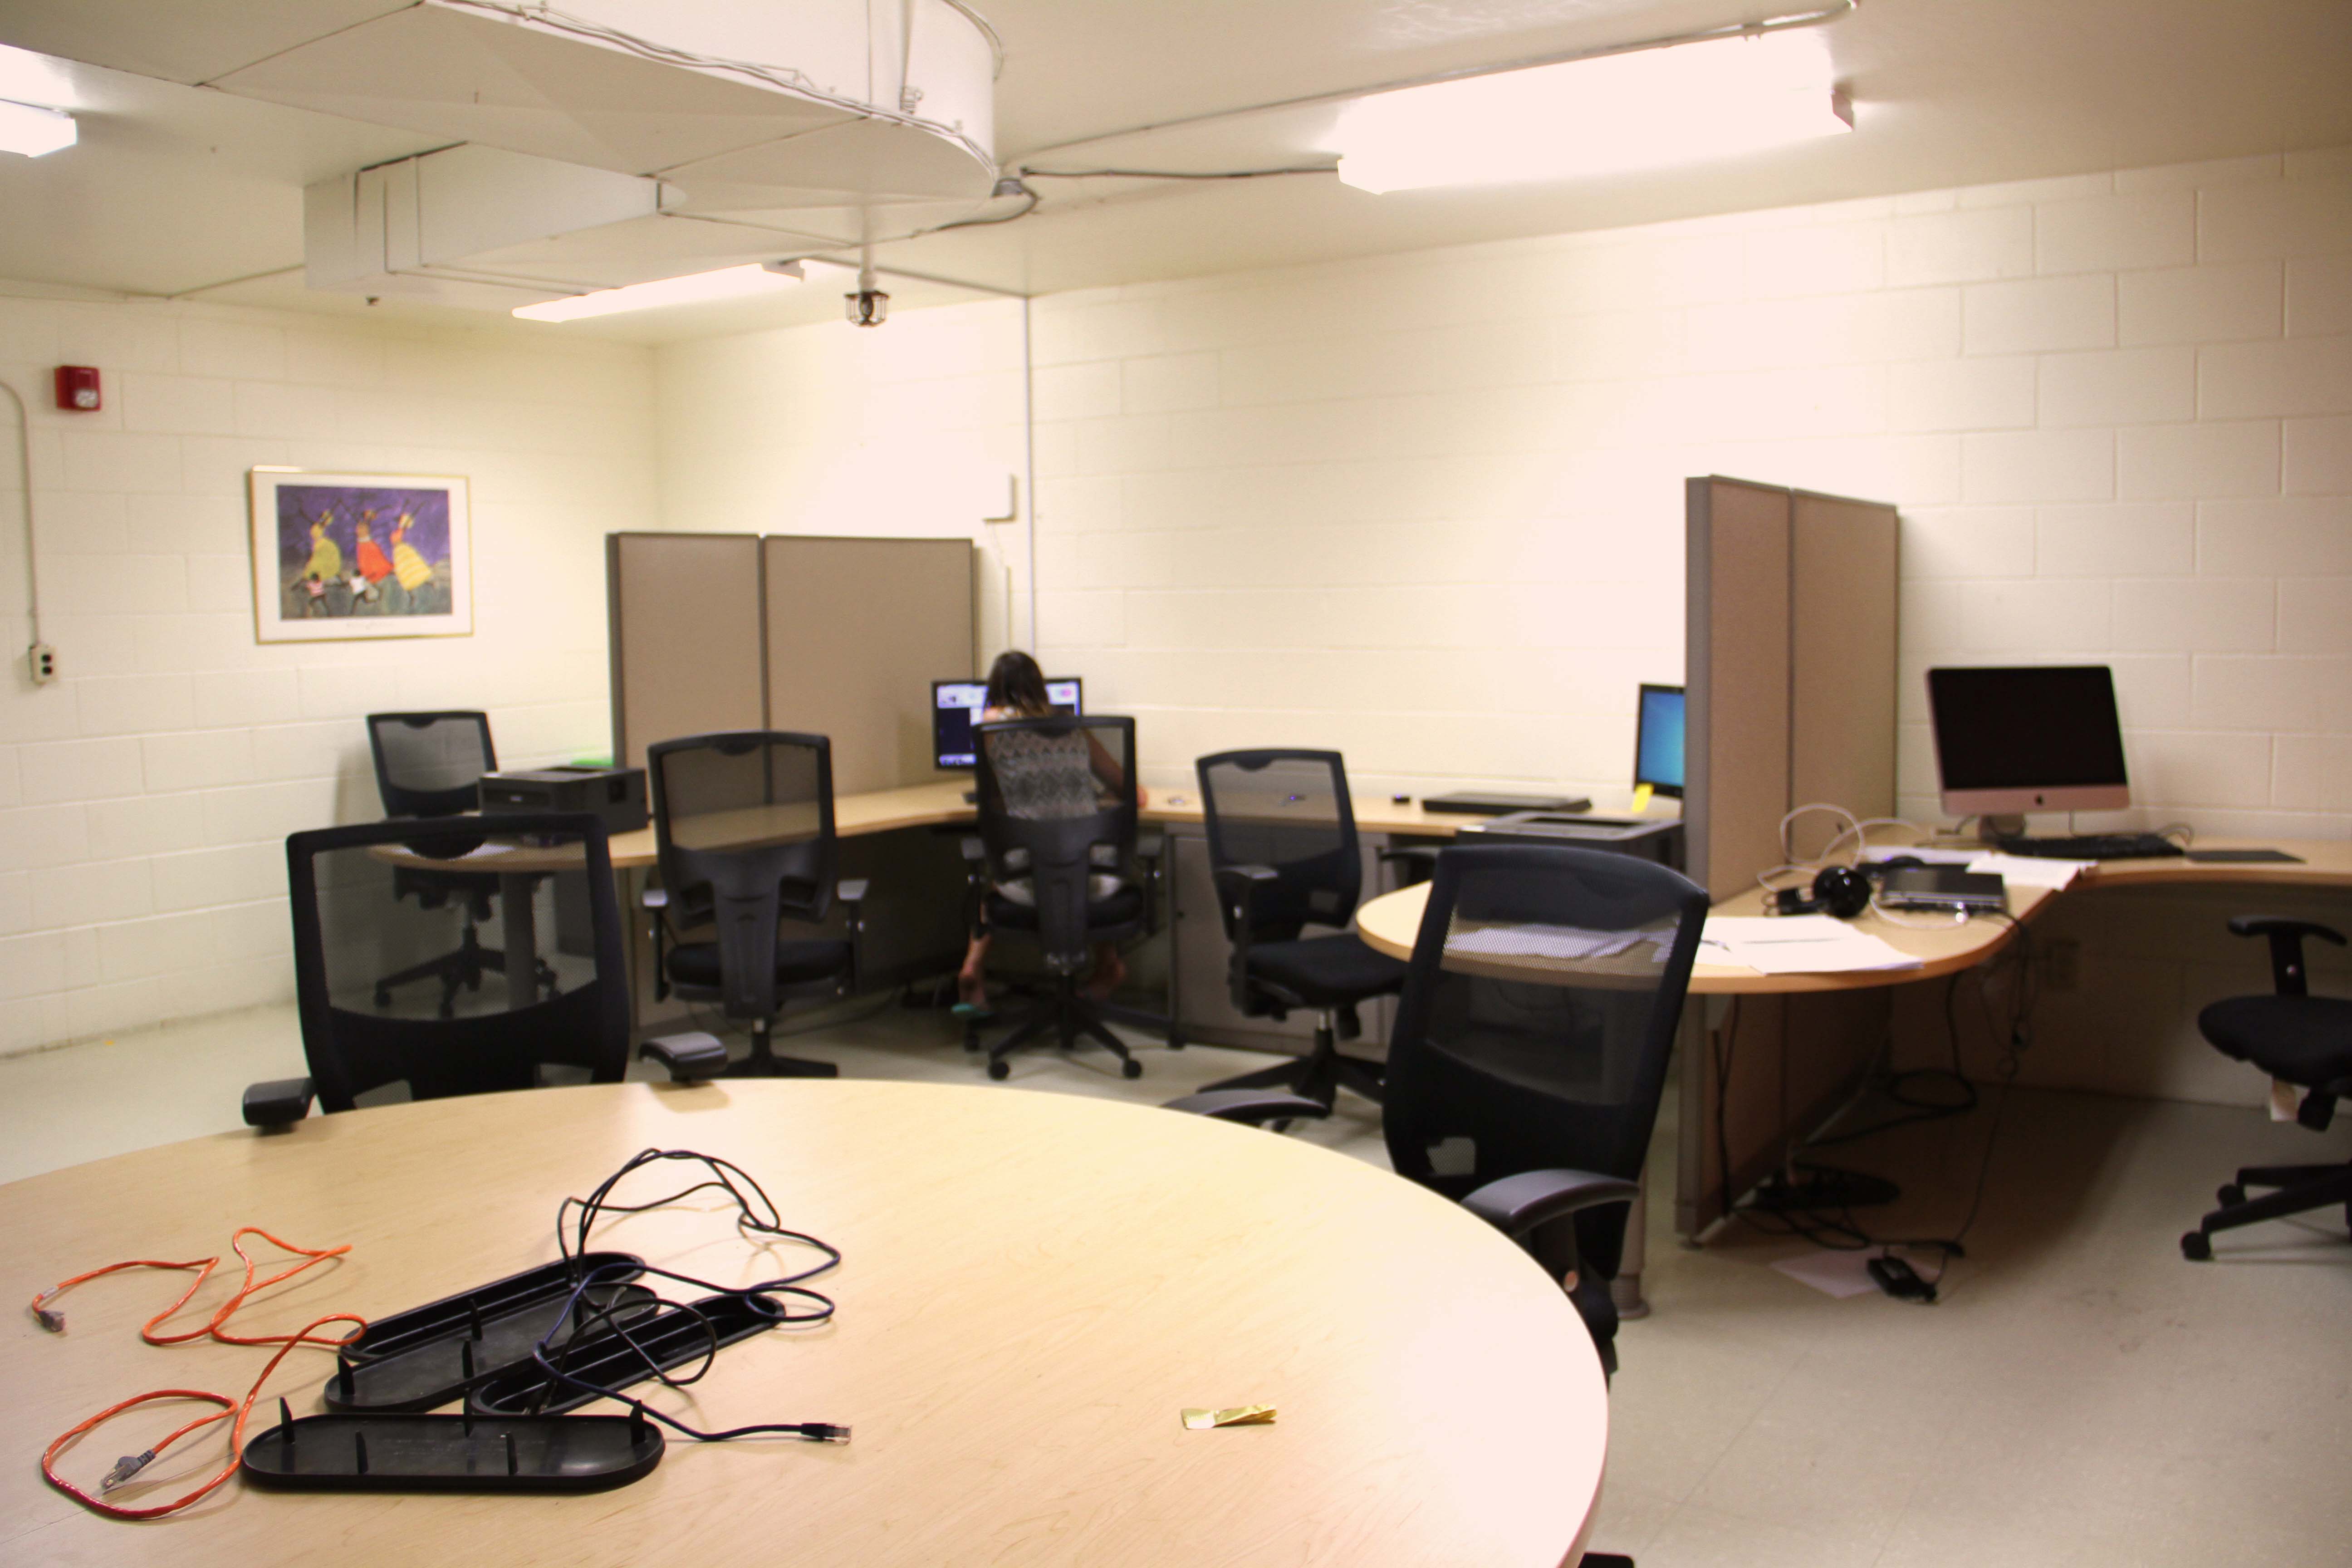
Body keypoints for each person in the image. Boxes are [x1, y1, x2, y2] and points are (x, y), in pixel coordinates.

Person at [955, 650, 1141, 1016]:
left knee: (996, 878)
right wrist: (1092, 800)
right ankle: (1109, 965)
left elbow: (993, 798)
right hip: (1091, 877)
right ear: (1040, 687)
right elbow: (1129, 789)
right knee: (1094, 864)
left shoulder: (992, 726)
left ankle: (972, 968)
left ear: (994, 690)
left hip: (1029, 881)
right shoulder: (1072, 724)